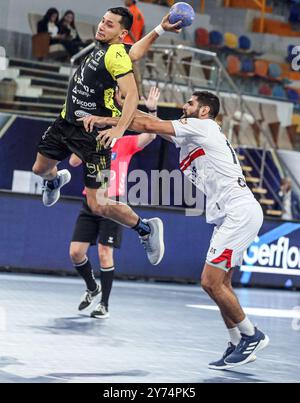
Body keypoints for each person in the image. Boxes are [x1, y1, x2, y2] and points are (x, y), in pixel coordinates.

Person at [82, 91, 270, 369]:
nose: (184, 106)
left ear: (205, 111)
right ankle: (235, 340)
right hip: (228, 216)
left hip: (239, 213)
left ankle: (252, 335)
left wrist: (102, 119)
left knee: (210, 282)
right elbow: (152, 124)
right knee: (222, 284)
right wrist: (129, 109)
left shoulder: (202, 127)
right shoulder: (191, 134)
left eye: (191, 103)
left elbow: (147, 126)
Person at [32, 7, 181, 267]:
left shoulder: (114, 55)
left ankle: (146, 228)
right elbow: (134, 52)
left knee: (98, 204)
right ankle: (55, 181)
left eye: (109, 24)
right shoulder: (108, 47)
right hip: (66, 121)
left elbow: (132, 96)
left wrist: (119, 130)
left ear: (121, 33)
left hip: (94, 137)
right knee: (40, 169)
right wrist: (159, 29)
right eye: (102, 20)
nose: (102, 26)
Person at [70, 86, 160, 319]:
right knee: (76, 253)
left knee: (104, 252)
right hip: (90, 200)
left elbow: (150, 135)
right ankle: (92, 287)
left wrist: (152, 110)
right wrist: (83, 141)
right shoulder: (93, 141)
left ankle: (104, 305)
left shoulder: (125, 142)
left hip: (112, 202)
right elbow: (72, 162)